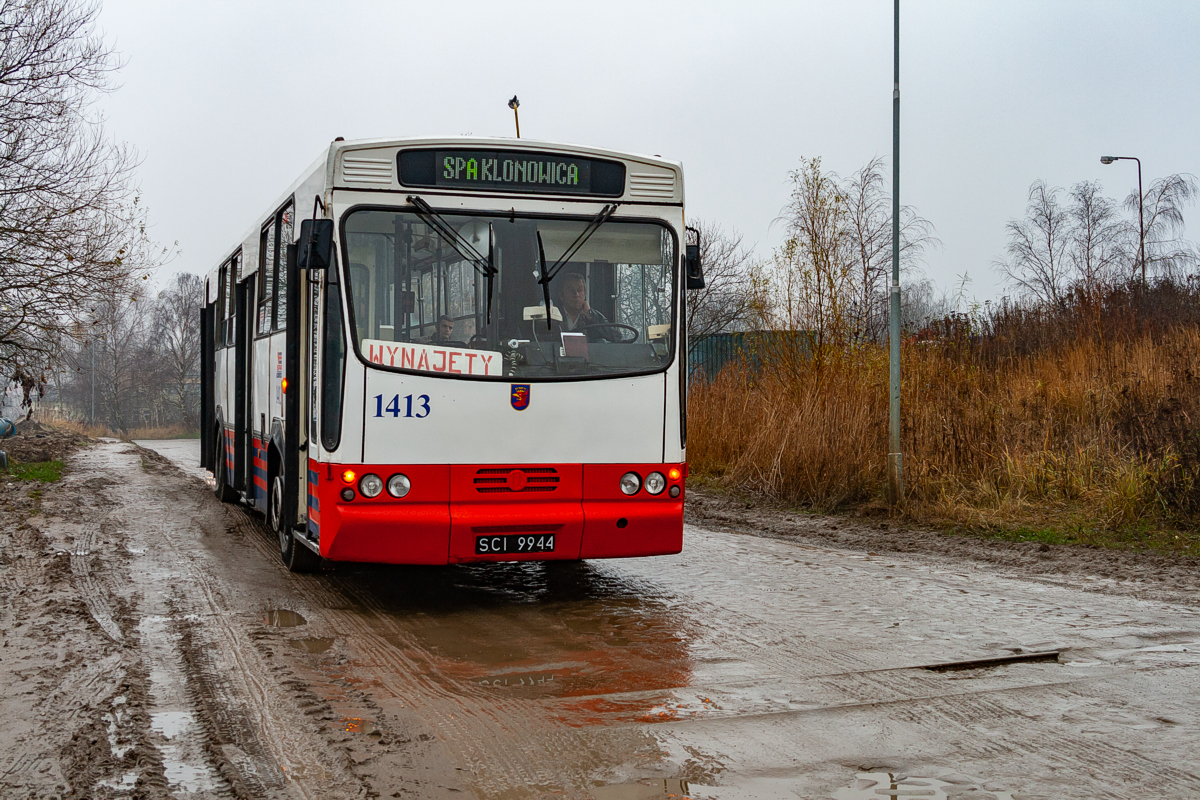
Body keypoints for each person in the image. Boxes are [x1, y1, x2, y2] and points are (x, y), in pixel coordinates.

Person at [555, 273, 611, 337]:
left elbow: (615, 337)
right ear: (561, 295)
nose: (576, 294)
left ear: (585, 293)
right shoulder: (553, 316)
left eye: (580, 290)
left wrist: (590, 316)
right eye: (571, 290)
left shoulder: (594, 316)